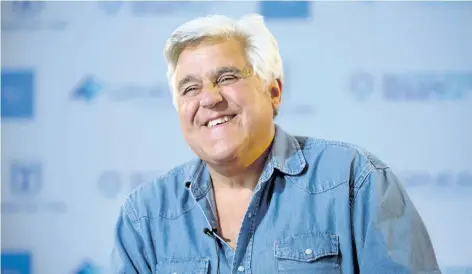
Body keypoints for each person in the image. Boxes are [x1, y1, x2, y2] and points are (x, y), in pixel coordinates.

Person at [109, 14, 440, 274]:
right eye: (189, 88)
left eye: (226, 77)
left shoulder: (355, 182)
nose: (209, 98)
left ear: (274, 91)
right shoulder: (145, 217)